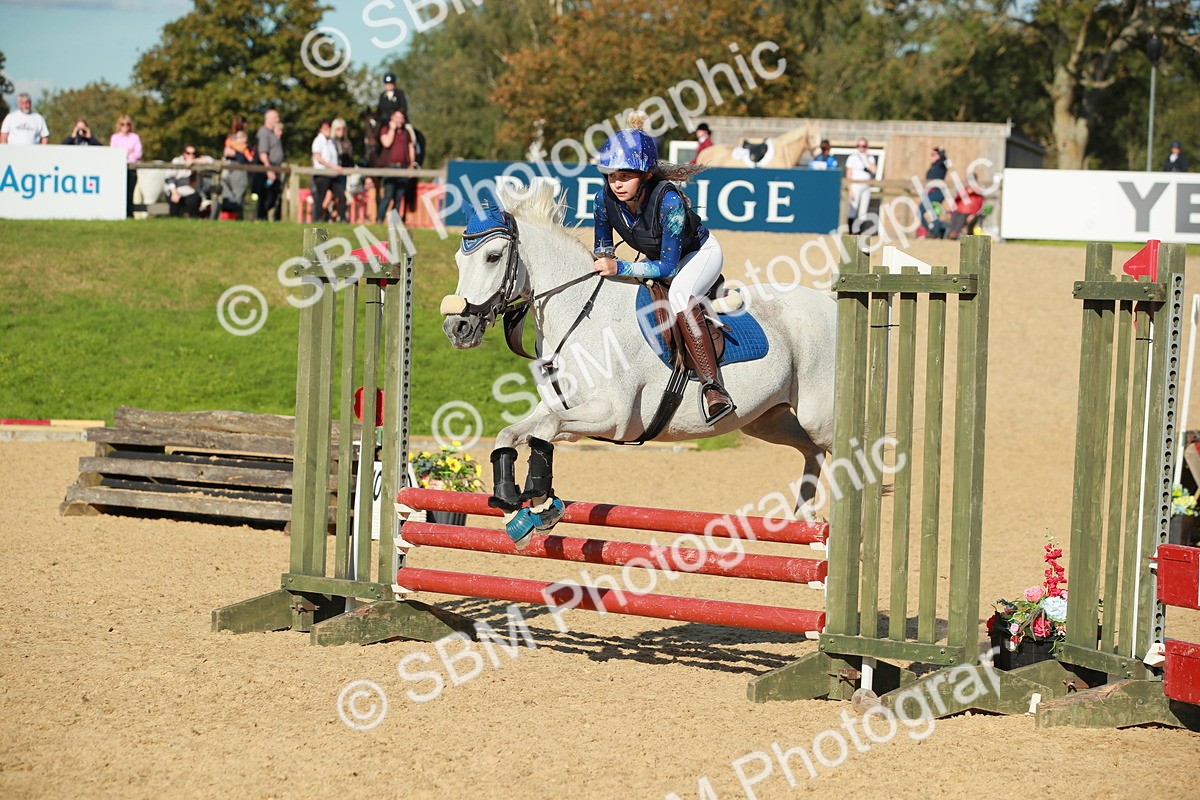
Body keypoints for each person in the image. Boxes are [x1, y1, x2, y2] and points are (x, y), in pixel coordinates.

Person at [591, 113, 733, 425]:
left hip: (697, 255)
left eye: (626, 176)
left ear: (645, 175)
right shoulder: (603, 200)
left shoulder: (669, 202)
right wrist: (603, 266)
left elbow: (669, 267)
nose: (617, 183)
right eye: (611, 175)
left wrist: (621, 266)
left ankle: (714, 388)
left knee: (681, 294)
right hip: (659, 259)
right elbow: (602, 248)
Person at [376, 109, 415, 222]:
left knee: (399, 197)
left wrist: (411, 165)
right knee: (388, 195)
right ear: (392, 118)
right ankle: (380, 219)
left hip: (403, 167)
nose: (399, 120)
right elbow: (387, 143)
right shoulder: (385, 130)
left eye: (401, 118)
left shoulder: (406, 132)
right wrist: (392, 129)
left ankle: (394, 222)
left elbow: (410, 147)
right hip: (390, 167)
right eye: (397, 117)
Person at [310, 119, 346, 223]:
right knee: (320, 199)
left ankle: (342, 219)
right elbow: (318, 158)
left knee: (341, 197)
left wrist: (335, 167)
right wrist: (333, 166)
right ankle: (317, 220)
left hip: (332, 175)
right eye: (325, 128)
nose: (327, 130)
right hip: (322, 174)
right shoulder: (318, 140)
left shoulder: (331, 141)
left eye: (329, 127)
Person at [110, 114, 144, 217]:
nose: (125, 126)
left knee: (130, 193)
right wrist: (127, 152)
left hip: (131, 168)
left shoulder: (135, 137)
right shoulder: (115, 137)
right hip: (118, 168)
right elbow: (113, 153)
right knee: (119, 192)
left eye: (127, 124)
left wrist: (127, 154)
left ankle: (129, 214)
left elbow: (138, 153)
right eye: (122, 124)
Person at [165, 145, 213, 218]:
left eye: (193, 153)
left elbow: (210, 160)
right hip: (176, 191)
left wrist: (193, 161)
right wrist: (174, 193)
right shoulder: (177, 161)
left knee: (193, 202)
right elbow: (170, 178)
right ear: (184, 153)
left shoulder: (198, 161)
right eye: (188, 153)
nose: (191, 155)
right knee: (174, 207)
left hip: (192, 192)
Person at [254, 109, 284, 221]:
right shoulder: (264, 133)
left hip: (275, 168)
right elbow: (263, 153)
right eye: (276, 117)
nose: (278, 120)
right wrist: (269, 169)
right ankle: (260, 219)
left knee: (273, 196)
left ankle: (266, 219)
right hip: (267, 170)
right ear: (270, 119)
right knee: (265, 197)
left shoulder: (272, 133)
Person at [845, 138, 877, 233]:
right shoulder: (852, 157)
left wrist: (866, 158)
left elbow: (874, 170)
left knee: (863, 211)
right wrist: (850, 189)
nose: (861, 148)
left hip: (866, 186)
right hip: (855, 185)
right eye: (859, 146)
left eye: (864, 146)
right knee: (853, 209)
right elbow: (849, 174)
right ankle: (851, 232)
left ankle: (860, 232)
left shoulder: (870, 157)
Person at [221, 130, 253, 219]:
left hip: (240, 173)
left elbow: (246, 160)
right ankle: (227, 217)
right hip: (229, 171)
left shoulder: (246, 148)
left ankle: (236, 217)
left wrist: (236, 153)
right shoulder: (232, 146)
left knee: (238, 197)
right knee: (227, 195)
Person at [919, 147, 949, 238]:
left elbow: (944, 158)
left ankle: (934, 234)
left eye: (934, 154)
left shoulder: (941, 165)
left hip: (937, 193)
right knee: (925, 213)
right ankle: (932, 232)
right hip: (930, 193)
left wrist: (941, 151)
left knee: (927, 212)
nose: (932, 157)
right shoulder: (933, 166)